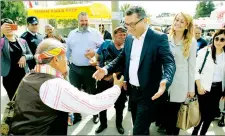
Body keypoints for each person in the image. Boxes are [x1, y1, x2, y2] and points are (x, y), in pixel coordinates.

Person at [10, 38, 125, 135]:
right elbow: (93, 105)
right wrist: (116, 88)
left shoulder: (30, 75)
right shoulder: (54, 85)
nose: (67, 61)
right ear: (55, 59)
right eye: (65, 57)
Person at [92, 6, 176, 135]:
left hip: (148, 93)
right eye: (126, 24)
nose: (128, 28)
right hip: (132, 91)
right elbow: (122, 57)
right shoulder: (130, 38)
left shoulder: (159, 38)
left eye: (132, 24)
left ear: (144, 20)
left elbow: (169, 62)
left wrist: (166, 80)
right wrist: (105, 69)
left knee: (137, 131)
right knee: (139, 125)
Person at [66, 12, 104, 125]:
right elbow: (68, 50)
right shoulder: (71, 34)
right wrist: (65, 63)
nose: (84, 23)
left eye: (86, 20)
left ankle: (95, 114)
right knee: (75, 93)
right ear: (78, 21)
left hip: (90, 69)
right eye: (82, 21)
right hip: (74, 69)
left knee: (92, 93)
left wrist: (95, 52)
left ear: (88, 21)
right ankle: (77, 115)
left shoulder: (95, 33)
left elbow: (103, 47)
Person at [89, 26, 127, 134]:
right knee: (102, 103)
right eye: (120, 34)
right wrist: (94, 60)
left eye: (124, 35)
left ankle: (119, 125)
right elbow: (97, 56)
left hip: (118, 80)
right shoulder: (105, 44)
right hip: (103, 79)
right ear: (114, 35)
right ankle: (103, 124)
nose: (123, 37)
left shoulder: (127, 48)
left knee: (120, 105)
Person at [166, 12, 196, 135]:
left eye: (181, 21)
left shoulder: (191, 42)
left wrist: (191, 89)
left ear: (187, 25)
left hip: (180, 84)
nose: (177, 23)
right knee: (165, 113)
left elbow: (192, 66)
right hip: (165, 82)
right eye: (176, 20)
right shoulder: (165, 38)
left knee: (176, 113)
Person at [192, 29, 225, 135]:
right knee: (201, 113)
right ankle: (195, 132)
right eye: (217, 38)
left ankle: (203, 133)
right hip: (204, 87)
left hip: (218, 88)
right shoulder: (204, 52)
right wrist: (199, 86)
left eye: (222, 39)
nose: (218, 41)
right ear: (213, 39)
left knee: (210, 115)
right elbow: (195, 69)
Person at [0, 18, 33, 100]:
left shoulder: (22, 41)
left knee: (25, 100)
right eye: (5, 27)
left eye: (10, 26)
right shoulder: (2, 42)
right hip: (9, 78)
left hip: (23, 76)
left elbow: (31, 55)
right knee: (14, 101)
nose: (8, 29)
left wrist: (24, 56)